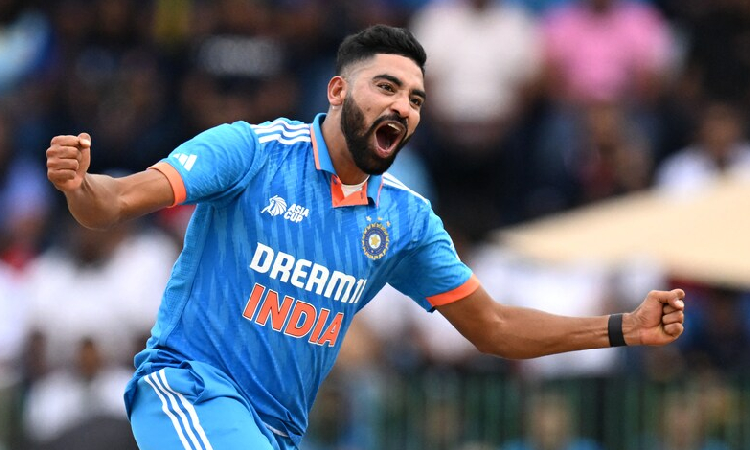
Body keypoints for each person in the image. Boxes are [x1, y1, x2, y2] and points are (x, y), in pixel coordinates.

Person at [45, 25, 686, 450]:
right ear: (337, 91)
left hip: (276, 432)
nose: (403, 106)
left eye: (416, 99)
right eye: (387, 87)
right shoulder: (251, 151)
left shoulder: (406, 221)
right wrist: (80, 185)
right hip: (188, 389)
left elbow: (495, 328)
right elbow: (115, 202)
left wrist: (622, 329)